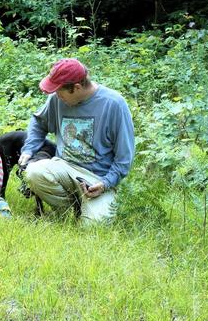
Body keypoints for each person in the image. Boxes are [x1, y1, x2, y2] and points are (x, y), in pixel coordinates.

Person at [18, 58, 135, 224]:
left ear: (77, 87)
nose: (55, 95)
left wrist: (105, 183)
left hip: (97, 178)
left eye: (59, 91)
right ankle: (68, 211)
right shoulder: (56, 99)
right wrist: (29, 149)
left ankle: (88, 209)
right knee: (33, 172)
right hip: (64, 166)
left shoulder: (114, 104)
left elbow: (124, 157)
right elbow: (38, 122)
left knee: (95, 227)